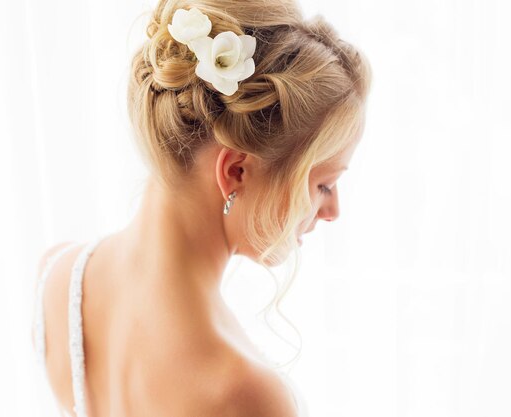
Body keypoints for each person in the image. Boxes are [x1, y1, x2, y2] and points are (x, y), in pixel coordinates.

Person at [32, 0, 372, 416]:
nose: (332, 210)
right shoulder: (244, 395)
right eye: (323, 184)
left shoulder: (59, 278)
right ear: (235, 172)